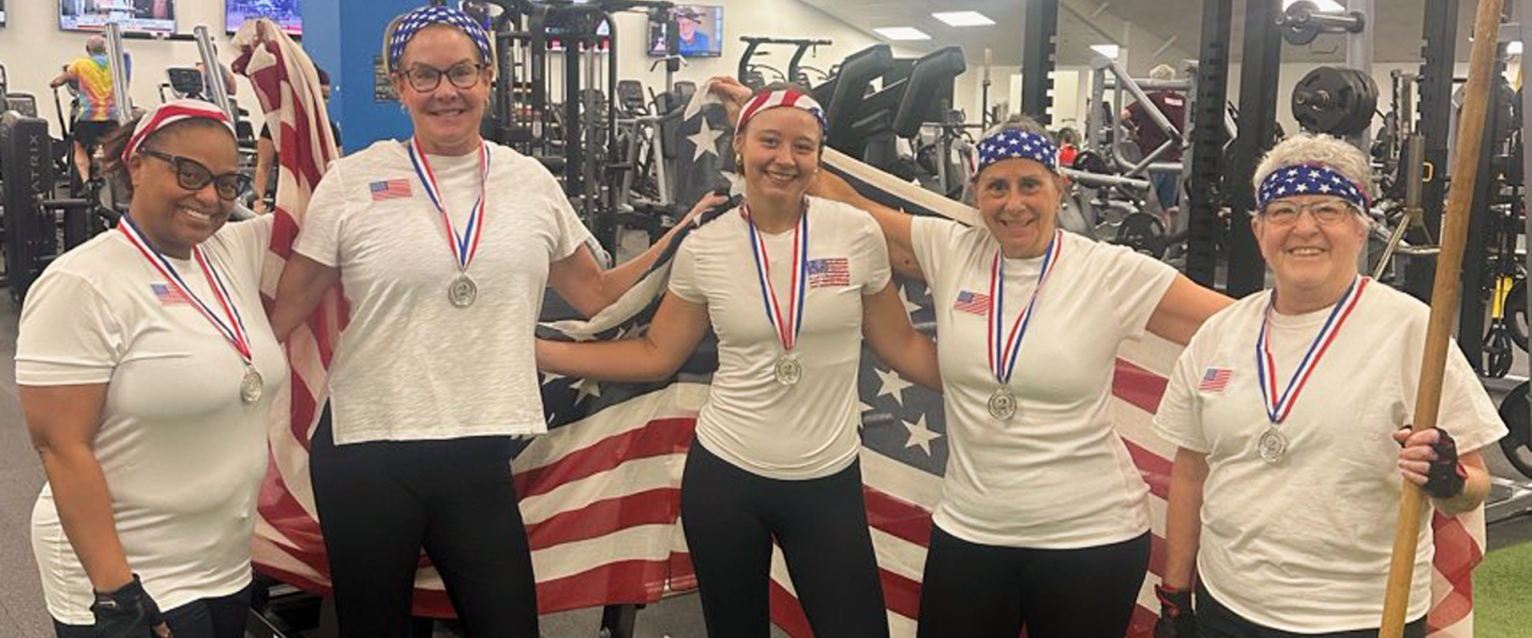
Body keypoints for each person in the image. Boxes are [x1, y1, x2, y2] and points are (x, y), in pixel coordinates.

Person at [267, 6, 710, 637]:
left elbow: (594, 294)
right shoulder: (352, 182)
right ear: (400, 86)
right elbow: (287, 309)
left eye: (461, 72)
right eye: (424, 76)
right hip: (367, 448)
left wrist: (683, 237)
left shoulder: (528, 181)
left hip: (477, 449)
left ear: (488, 77)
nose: (445, 90)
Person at [535, 83, 941, 638]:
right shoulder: (708, 246)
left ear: (818, 157)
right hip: (726, 481)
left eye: (803, 147)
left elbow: (902, 344)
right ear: (741, 147)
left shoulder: (856, 234)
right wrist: (536, 352)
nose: (785, 159)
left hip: (825, 484)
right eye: (769, 141)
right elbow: (658, 354)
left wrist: (988, 384)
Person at [806, 111, 1230, 638]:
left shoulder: (1109, 270)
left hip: (1090, 537)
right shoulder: (952, 248)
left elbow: (1232, 323)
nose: (1014, 203)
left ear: (1060, 186)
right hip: (971, 527)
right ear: (974, 191)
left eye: (1030, 184)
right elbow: (850, 205)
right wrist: (769, 122)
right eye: (996, 187)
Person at [1152, 134, 1505, 638]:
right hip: (1227, 605)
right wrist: (1173, 594)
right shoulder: (1221, 334)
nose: (1304, 227)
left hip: (1363, 617)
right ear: (1258, 230)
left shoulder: (1412, 332)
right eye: (1283, 211)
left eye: (1327, 209)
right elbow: (1190, 471)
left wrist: (1448, 480)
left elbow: (1473, 487)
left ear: (1360, 229)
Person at [19, 99, 279, 638]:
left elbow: (323, 202)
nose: (208, 197)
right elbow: (61, 448)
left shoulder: (228, 253)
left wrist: (282, 79)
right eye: (188, 173)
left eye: (227, 183)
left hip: (223, 564)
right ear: (136, 164)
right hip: (130, 573)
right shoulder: (83, 282)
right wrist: (116, 593)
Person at [252, 66, 339, 214]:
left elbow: (336, 168)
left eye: (326, 97)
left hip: (319, 203)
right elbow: (263, 166)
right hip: (285, 201)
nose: (323, 102)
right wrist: (257, 202)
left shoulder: (329, 128)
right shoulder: (277, 124)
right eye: (320, 96)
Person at [50, 36, 127, 183]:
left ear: (87, 49)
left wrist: (54, 83)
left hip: (88, 116)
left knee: (79, 148)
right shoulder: (114, 65)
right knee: (111, 150)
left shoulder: (80, 64)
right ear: (105, 49)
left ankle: (86, 182)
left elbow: (61, 79)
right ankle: (111, 183)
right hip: (111, 116)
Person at [1121, 63, 1186, 212]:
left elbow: (1121, 115)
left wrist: (1131, 128)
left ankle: (1148, 234)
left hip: (1152, 160)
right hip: (1175, 162)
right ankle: (1168, 234)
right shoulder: (1184, 101)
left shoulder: (1151, 99)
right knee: (1167, 209)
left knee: (1146, 207)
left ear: (1155, 80)